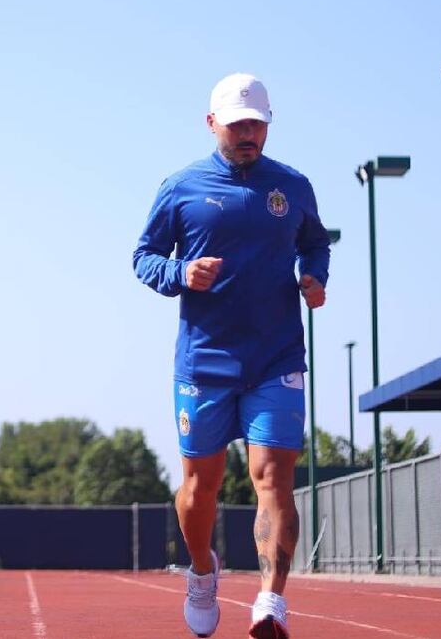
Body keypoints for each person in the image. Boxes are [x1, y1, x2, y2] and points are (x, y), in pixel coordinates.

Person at [133, 73, 330, 639]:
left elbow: (314, 241)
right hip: (204, 363)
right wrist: (180, 273)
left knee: (273, 478)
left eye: (257, 124)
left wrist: (313, 275)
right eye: (239, 123)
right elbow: (144, 257)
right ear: (212, 122)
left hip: (275, 358)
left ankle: (270, 601)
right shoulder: (181, 187)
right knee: (202, 485)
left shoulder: (291, 186)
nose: (249, 133)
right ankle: (201, 572)